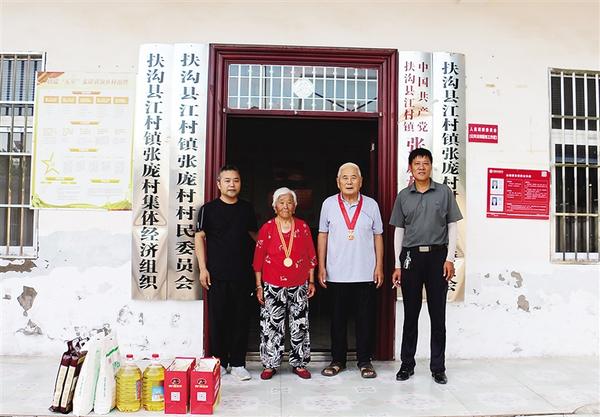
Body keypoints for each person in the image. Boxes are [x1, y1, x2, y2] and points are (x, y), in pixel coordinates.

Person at [390, 148, 463, 385]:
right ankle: (407, 365)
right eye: (417, 163)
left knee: (437, 315)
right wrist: (397, 264)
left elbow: (452, 226)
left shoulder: (443, 192)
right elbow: (399, 230)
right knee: (410, 315)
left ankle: (438, 367)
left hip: (437, 257)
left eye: (425, 163)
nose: (421, 167)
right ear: (410, 168)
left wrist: (449, 258)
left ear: (431, 166)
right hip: (411, 258)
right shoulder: (403, 196)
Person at [317, 162, 384, 379]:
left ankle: (365, 361)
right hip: (336, 273)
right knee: (337, 320)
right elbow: (323, 235)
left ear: (361, 181)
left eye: (353, 177)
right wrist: (321, 266)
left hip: (365, 273)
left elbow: (378, 236)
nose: (349, 181)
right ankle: (338, 360)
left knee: (365, 320)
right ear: (338, 182)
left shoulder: (371, 205)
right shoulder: (328, 204)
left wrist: (379, 266)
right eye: (344, 178)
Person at [194, 165, 257, 381]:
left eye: (236, 180)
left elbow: (256, 237)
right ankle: (219, 362)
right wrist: (203, 268)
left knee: (240, 320)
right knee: (218, 319)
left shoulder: (247, 209)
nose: (232, 184)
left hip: (242, 274)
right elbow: (199, 237)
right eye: (227, 181)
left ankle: (238, 363)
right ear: (219, 184)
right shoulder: (208, 210)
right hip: (216, 275)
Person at [253, 187, 317, 380]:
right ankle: (270, 364)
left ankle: (299, 363)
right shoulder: (267, 228)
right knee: (271, 325)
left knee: (300, 324)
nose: (285, 206)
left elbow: (311, 256)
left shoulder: (303, 227)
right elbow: (258, 260)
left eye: (289, 202)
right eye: (281, 202)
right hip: (272, 284)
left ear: (295, 206)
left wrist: (311, 280)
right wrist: (259, 286)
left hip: (299, 283)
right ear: (274, 206)